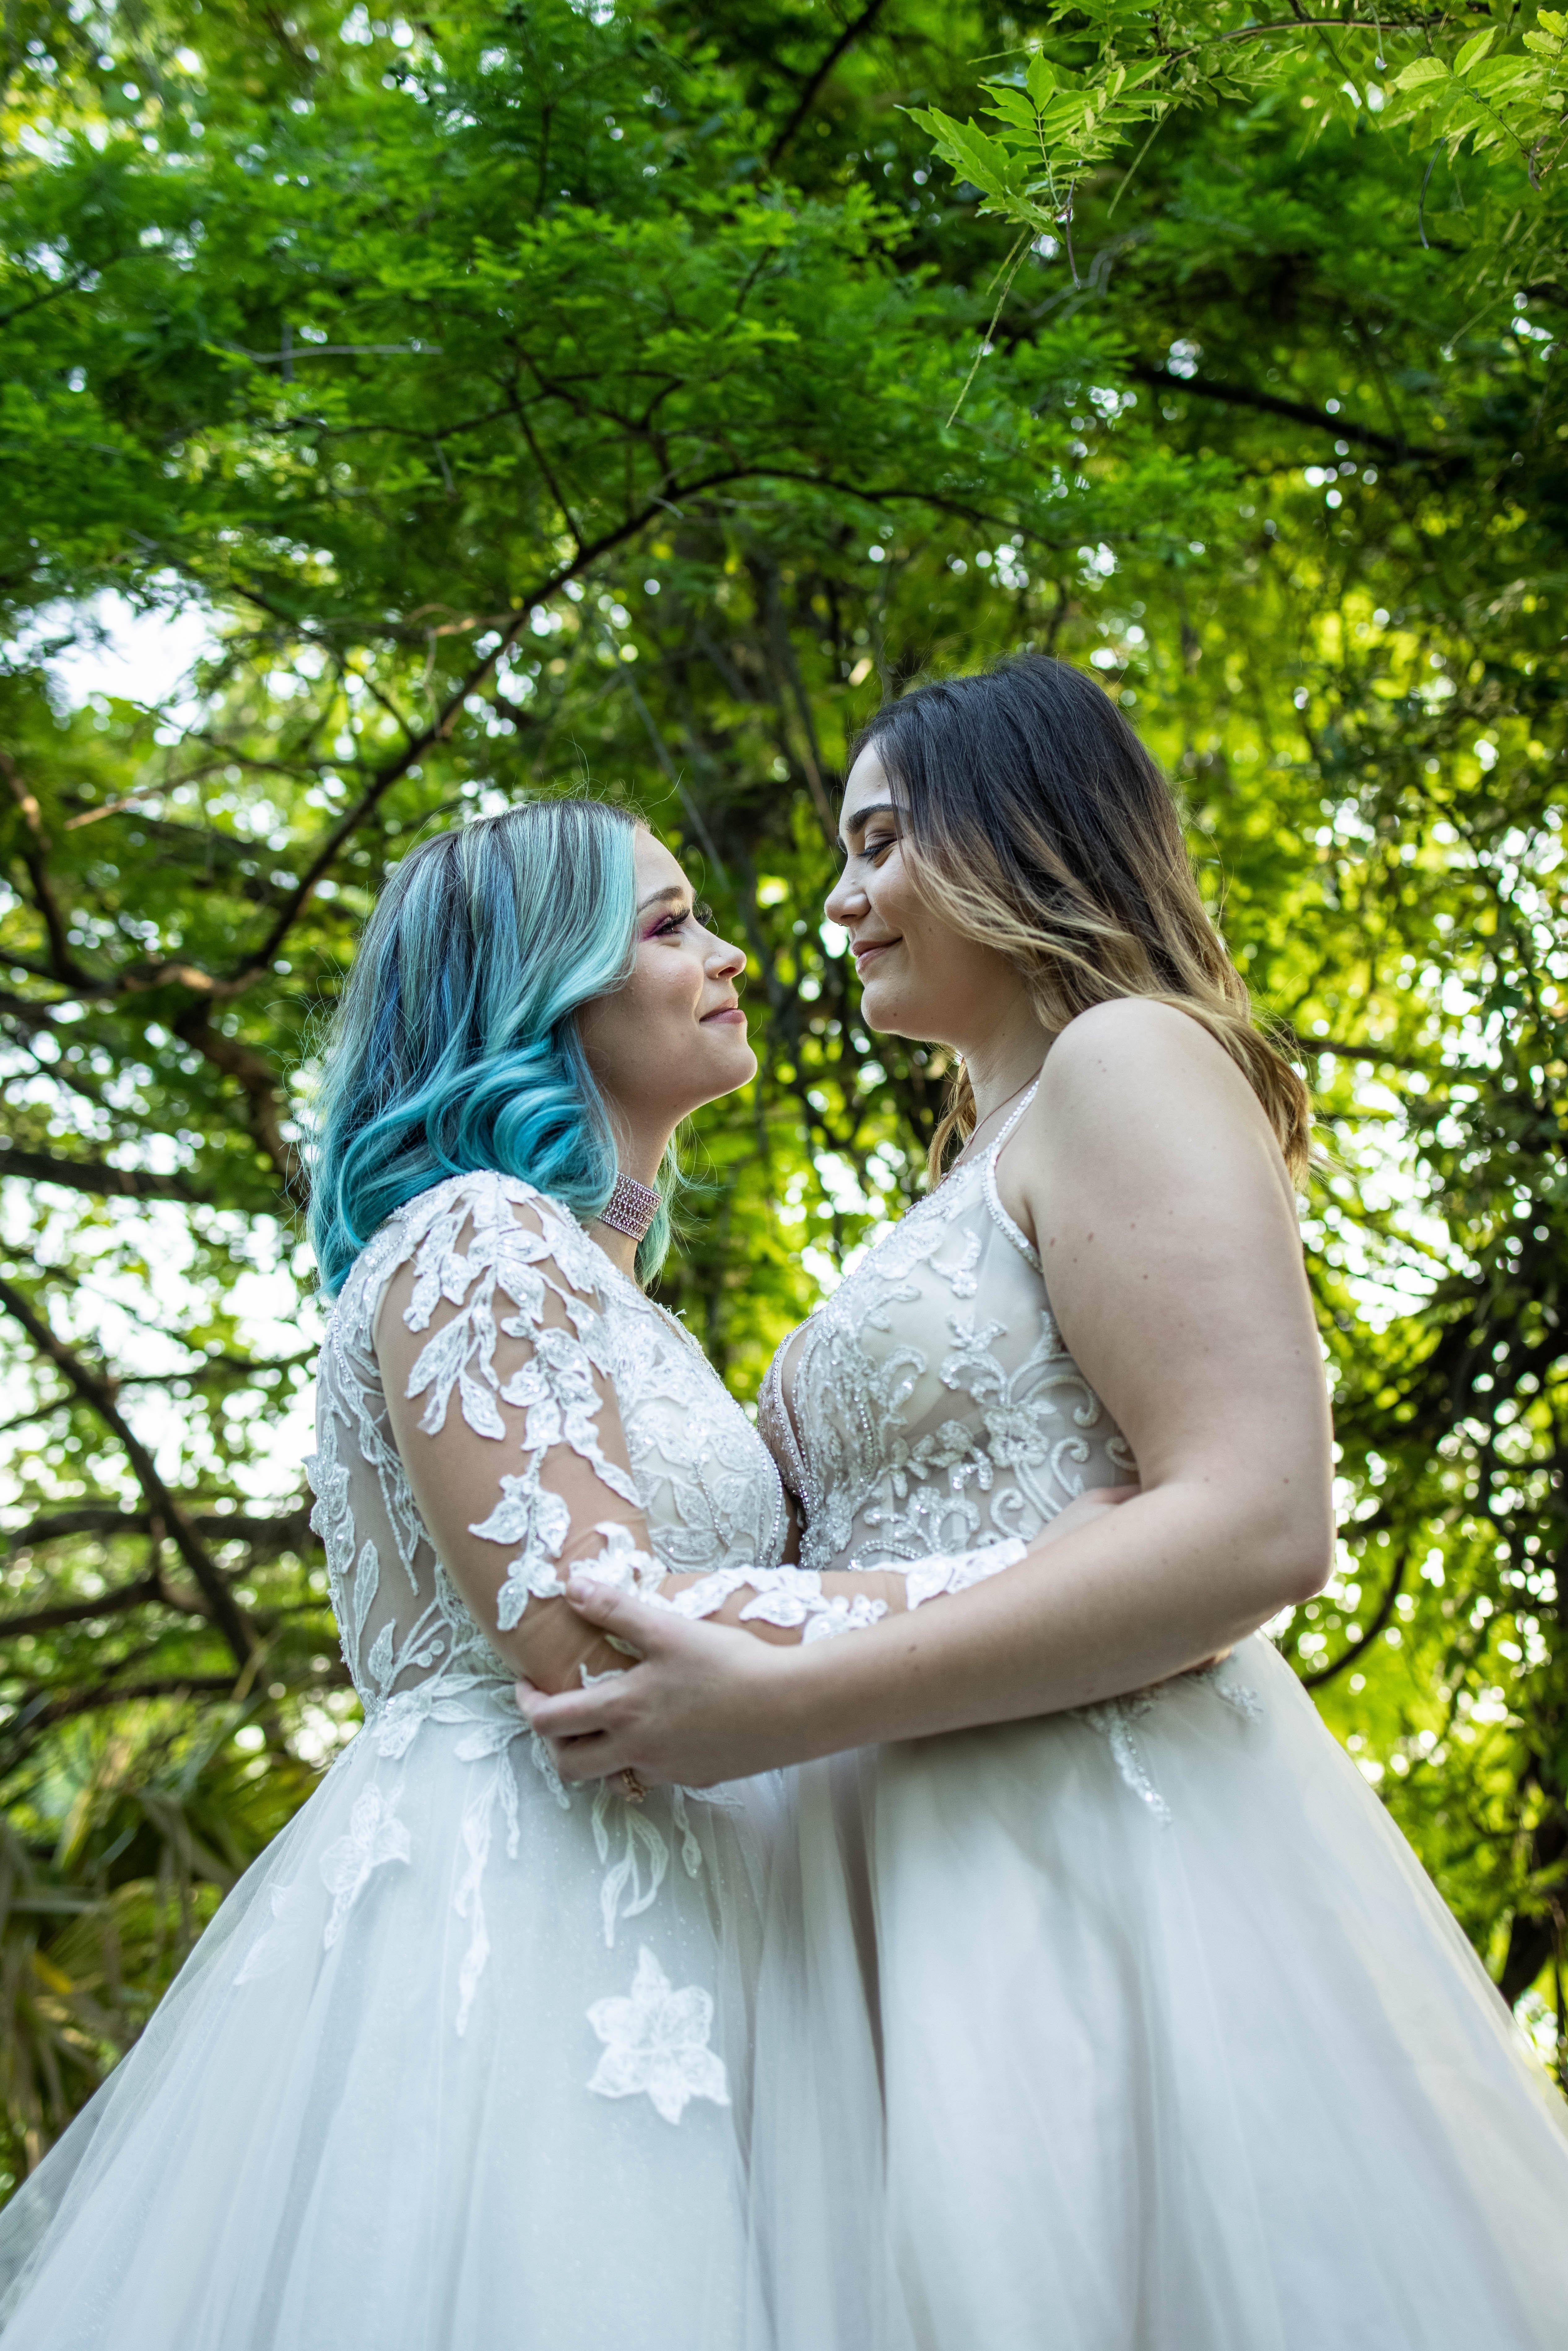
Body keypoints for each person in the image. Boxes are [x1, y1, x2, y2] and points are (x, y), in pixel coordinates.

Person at [523, 659, 1568, 2351]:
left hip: (1089, 1851)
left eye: (878, 839)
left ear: (1016, 826)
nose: (841, 896)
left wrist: (785, 1700)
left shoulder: (1128, 1061)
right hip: (881, 1891)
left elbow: (1255, 1519)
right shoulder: (970, 1167)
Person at [0, 799, 800, 2349]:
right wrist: (985, 1601)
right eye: (669, 927)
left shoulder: (588, 1278)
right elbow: (586, 1642)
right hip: (542, 1918)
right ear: (537, 987)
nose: (729, 957)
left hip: (690, 1904)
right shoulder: (481, 1238)